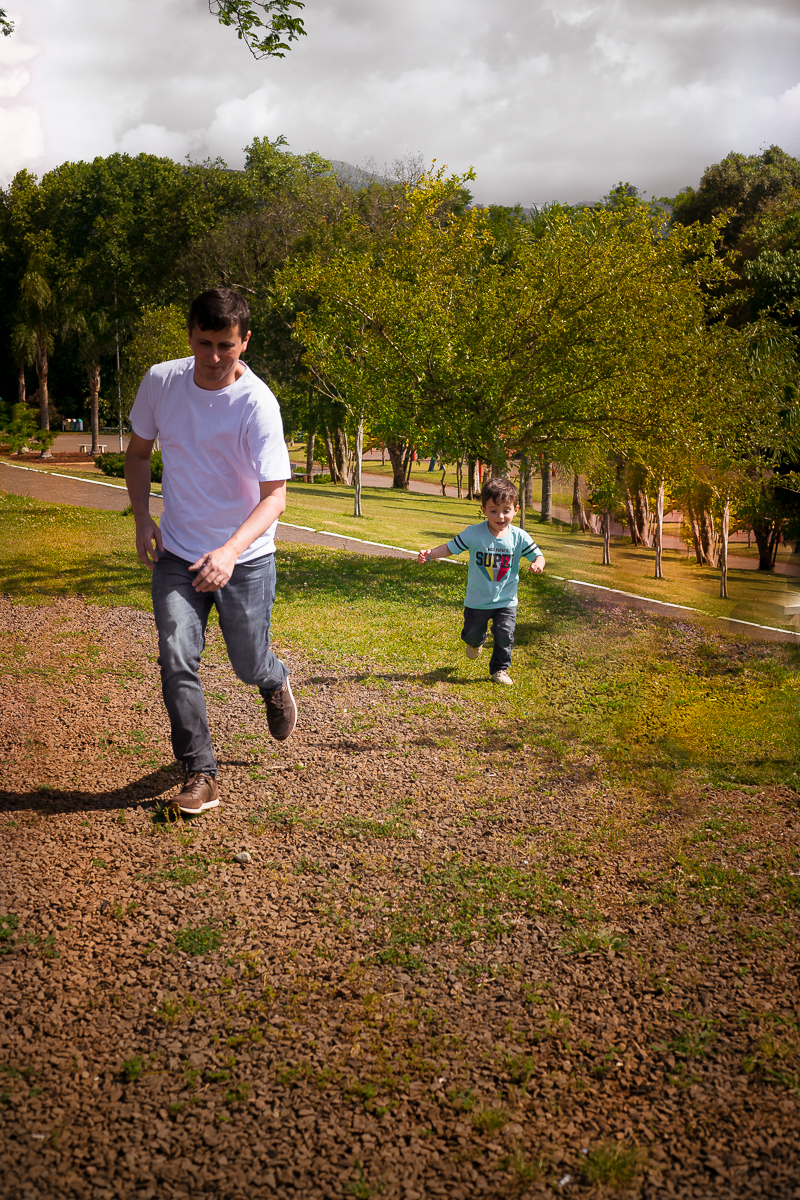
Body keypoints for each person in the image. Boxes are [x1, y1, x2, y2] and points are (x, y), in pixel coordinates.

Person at [125, 287, 296, 817]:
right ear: (190, 336)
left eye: (226, 344)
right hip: (177, 551)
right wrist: (142, 518)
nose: (215, 357)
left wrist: (228, 551)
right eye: (204, 343)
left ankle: (273, 679)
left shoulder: (258, 404)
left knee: (247, 664)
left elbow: (276, 497)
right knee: (176, 656)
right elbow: (136, 452)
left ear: (245, 341)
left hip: (244, 558)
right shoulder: (161, 381)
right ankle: (201, 773)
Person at [417, 476, 545, 686]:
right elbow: (450, 547)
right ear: (484, 510)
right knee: (472, 635)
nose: (500, 516)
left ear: (516, 509)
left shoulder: (520, 536)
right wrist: (431, 553)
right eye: (493, 510)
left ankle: (499, 670)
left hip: (506, 600)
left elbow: (538, 556)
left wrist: (538, 564)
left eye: (506, 510)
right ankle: (476, 642)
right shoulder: (474, 533)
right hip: (477, 600)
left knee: (505, 634)